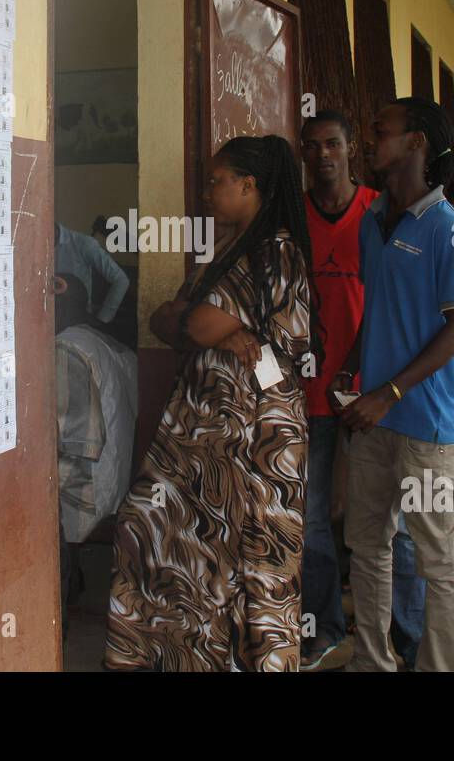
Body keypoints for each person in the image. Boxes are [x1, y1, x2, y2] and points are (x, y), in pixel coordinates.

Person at [104, 134, 313, 672]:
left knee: (253, 564)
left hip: (253, 440)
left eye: (218, 181)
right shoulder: (226, 250)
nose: (208, 191)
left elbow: (193, 321)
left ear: (250, 186)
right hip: (205, 435)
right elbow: (166, 319)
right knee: (151, 526)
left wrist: (200, 327)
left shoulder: (274, 251)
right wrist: (210, 331)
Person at [328, 96, 454, 672]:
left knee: (438, 561)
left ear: (416, 142)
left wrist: (387, 392)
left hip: (425, 426)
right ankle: (372, 659)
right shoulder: (372, 222)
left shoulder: (449, 228)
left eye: (381, 130)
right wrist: (351, 363)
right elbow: (380, 310)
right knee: (367, 548)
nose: (371, 140)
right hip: (373, 420)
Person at [297, 109, 378, 672]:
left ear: (351, 149)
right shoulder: (292, 216)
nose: (322, 154)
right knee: (314, 515)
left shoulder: (379, 211)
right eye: (312, 145)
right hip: (311, 391)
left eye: (332, 144)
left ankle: (391, 634)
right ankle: (324, 626)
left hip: (377, 393)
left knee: (380, 517)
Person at [54, 274, 138, 613]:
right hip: (115, 484)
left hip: (85, 490)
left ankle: (64, 582)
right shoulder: (103, 342)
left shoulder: (66, 348)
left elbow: (76, 444)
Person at [54, 221, 130, 325]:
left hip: (76, 320)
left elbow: (121, 279)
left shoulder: (83, 243)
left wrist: (103, 319)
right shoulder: (32, 243)